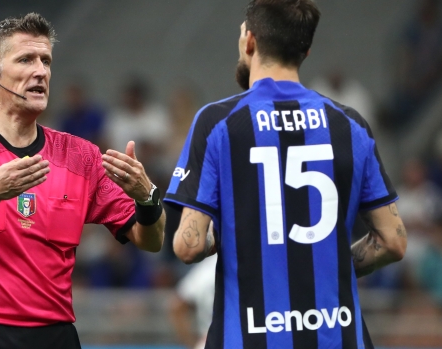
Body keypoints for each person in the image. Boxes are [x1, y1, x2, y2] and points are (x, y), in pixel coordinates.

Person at [0, 13, 165, 349]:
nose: (41, 71)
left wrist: (148, 198)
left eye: (46, 61)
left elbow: (150, 240)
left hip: (56, 336)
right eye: (26, 59)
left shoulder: (82, 157)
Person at [163, 1, 407, 348]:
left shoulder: (217, 123)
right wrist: (331, 264)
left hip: (248, 336)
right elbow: (393, 241)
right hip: (336, 335)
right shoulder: (350, 125)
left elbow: (187, 247)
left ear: (249, 42)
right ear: (305, 51)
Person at [170, 254, 217, 349]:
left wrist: (192, 343)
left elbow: (177, 306)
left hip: (208, 342)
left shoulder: (208, 267)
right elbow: (177, 306)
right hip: (239, 339)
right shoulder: (211, 265)